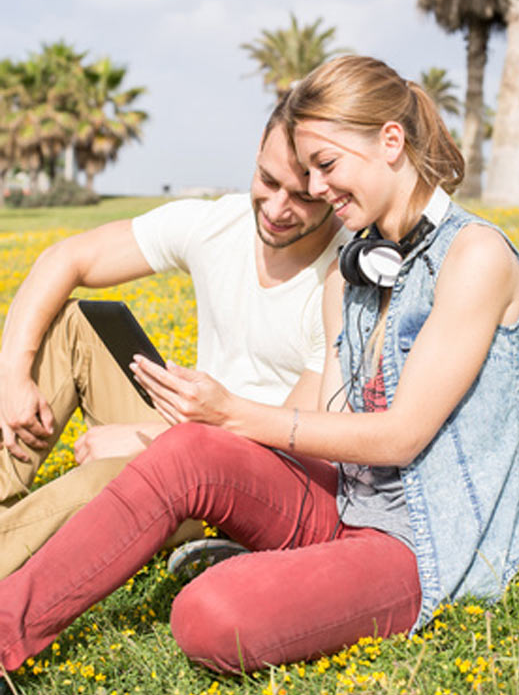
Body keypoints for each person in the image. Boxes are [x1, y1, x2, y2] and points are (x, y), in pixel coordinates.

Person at [0, 54, 519, 678]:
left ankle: (234, 564)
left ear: (392, 142)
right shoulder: (354, 272)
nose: (319, 191)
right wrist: (203, 438)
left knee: (210, 614)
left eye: (326, 168)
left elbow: (401, 435)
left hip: (421, 541)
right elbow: (332, 432)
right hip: (342, 504)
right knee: (187, 452)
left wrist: (231, 413)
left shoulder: (475, 256)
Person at [0, 99, 347, 578]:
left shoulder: (342, 281)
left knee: (109, 482)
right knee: (75, 324)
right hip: (188, 429)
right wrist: (12, 376)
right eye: (267, 181)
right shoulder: (219, 225)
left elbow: (300, 440)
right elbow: (67, 258)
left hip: (245, 482)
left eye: (303, 196)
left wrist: (148, 444)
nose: (277, 208)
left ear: (332, 189)